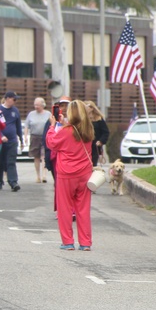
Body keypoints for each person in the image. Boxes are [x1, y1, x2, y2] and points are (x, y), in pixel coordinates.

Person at [45, 100, 95, 251]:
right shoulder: (88, 130)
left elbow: (51, 143)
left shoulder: (66, 131)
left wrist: (53, 126)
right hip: (85, 173)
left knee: (65, 208)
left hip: (66, 173)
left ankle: (68, 242)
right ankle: (85, 242)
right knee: (83, 208)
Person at [0, 91, 23, 192]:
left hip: (12, 140)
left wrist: (20, 138)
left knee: (11, 161)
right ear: (7, 98)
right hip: (1, 140)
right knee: (0, 162)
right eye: (14, 99)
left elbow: (18, 126)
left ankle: (13, 181)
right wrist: (1, 136)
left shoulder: (15, 111)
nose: (15, 101)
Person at [25, 97, 51, 183]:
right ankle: (38, 176)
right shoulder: (31, 114)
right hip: (34, 136)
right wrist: (25, 136)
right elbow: (26, 126)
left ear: (43, 105)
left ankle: (44, 175)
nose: (36, 107)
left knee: (44, 156)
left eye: (38, 105)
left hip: (45, 136)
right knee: (36, 156)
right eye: (35, 105)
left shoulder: (48, 114)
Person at [85, 101, 110, 167]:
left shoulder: (99, 119)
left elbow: (105, 132)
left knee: (93, 162)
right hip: (85, 144)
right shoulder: (83, 119)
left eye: (88, 106)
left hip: (95, 145)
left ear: (92, 108)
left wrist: (101, 141)